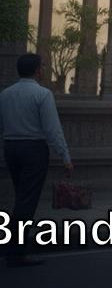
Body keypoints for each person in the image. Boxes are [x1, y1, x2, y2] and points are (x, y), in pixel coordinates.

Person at [0, 53, 73, 267]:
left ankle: (13, 248)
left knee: (21, 197)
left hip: (11, 148)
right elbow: (53, 130)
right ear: (38, 70)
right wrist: (66, 158)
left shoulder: (5, 94)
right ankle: (16, 252)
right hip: (33, 150)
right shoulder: (43, 94)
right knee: (26, 201)